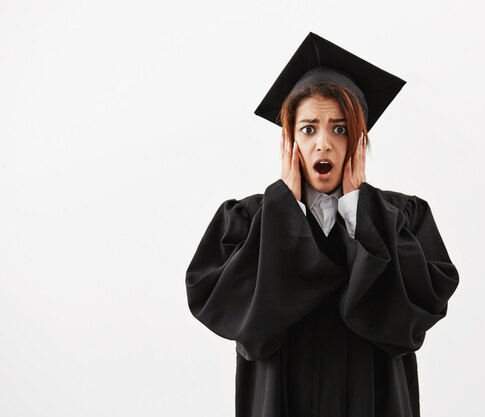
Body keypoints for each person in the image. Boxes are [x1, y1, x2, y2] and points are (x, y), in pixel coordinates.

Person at [185, 32, 460, 417]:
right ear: (289, 140)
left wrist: (359, 212)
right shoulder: (248, 221)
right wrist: (284, 215)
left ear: (359, 141)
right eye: (309, 128)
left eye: (340, 128)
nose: (324, 144)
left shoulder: (402, 218)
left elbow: (411, 321)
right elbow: (239, 322)